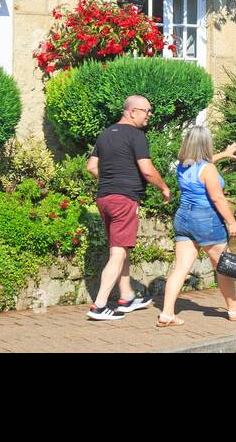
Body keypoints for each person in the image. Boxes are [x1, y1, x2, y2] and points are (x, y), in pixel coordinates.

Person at [157, 125, 236, 327]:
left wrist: (225, 154)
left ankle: (166, 313)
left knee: (180, 268)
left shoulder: (183, 164)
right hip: (206, 220)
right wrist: (232, 223)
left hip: (183, 217)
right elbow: (217, 198)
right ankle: (234, 310)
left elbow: (205, 162)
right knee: (223, 267)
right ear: (205, 144)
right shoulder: (208, 169)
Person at [86, 95, 170, 320]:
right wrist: (164, 187)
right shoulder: (136, 135)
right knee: (118, 252)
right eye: (146, 111)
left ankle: (126, 297)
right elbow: (148, 170)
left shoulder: (105, 134)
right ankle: (99, 305)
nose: (149, 115)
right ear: (132, 112)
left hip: (104, 198)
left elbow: (91, 166)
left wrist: (111, 179)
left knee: (120, 248)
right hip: (124, 200)